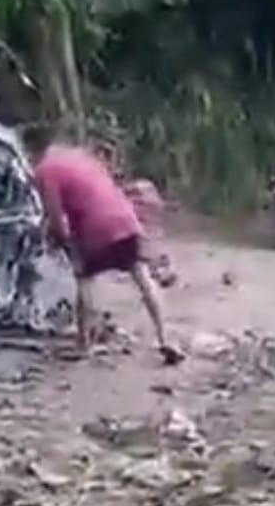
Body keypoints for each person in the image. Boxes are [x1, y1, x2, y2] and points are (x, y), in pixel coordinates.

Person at [25, 126, 184, 364]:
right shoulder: (79, 155)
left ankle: (84, 345)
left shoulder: (44, 171)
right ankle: (165, 337)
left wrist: (63, 243)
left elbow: (56, 217)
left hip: (95, 226)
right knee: (142, 277)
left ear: (30, 150)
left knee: (85, 280)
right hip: (125, 217)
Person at [91, 140, 178, 287]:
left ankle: (157, 267)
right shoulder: (93, 176)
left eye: (105, 156)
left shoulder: (114, 174)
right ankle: (155, 268)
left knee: (143, 234)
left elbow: (119, 190)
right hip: (112, 217)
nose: (103, 161)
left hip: (123, 213)